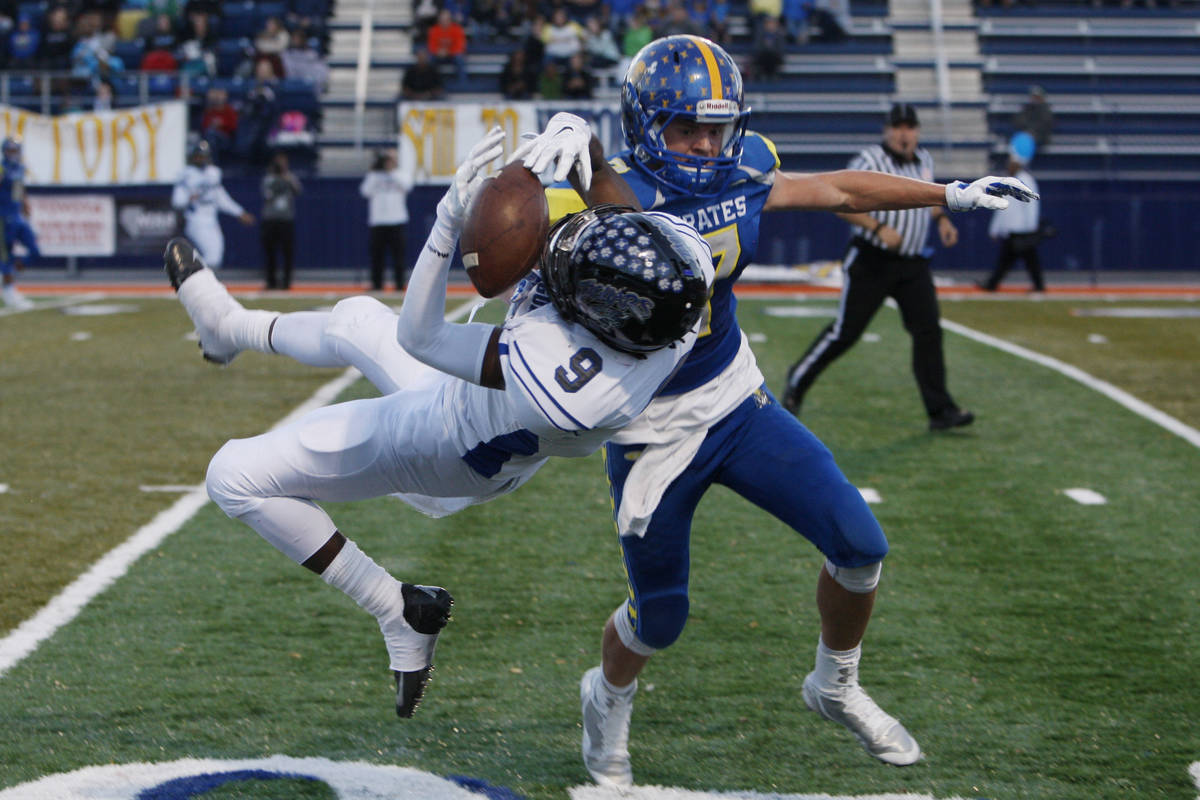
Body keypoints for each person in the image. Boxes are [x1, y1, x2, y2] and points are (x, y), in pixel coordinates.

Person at [543, 36, 1034, 788]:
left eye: (717, 126)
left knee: (860, 545)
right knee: (659, 618)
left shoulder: (746, 169)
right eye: (686, 128)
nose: (707, 144)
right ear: (645, 125)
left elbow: (840, 190)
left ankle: (834, 684)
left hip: (735, 400)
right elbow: (513, 274)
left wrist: (951, 194)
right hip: (650, 429)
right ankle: (605, 698)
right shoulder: (609, 200)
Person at [161, 124, 714, 719]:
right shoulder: (676, 285)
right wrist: (590, 153)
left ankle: (395, 609)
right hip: (474, 416)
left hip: (440, 446)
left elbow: (419, 335)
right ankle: (227, 327)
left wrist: (449, 220)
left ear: (597, 320)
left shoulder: (566, 379)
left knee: (231, 477)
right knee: (353, 319)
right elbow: (627, 230)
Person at [782, 103, 976, 431]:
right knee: (846, 332)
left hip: (912, 264)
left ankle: (940, 410)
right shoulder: (869, 160)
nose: (904, 133)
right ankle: (797, 381)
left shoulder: (924, 160)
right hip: (873, 260)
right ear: (887, 131)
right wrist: (876, 228)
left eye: (910, 127)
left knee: (928, 332)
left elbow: (923, 197)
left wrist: (941, 218)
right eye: (898, 127)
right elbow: (838, 202)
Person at [170, 139, 255, 269]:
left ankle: (194, 278)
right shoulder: (186, 174)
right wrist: (189, 198)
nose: (201, 158)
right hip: (196, 219)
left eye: (204, 155)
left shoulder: (213, 173)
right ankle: (197, 281)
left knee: (216, 256)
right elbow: (177, 201)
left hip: (211, 219)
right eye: (199, 155)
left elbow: (221, 198)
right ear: (193, 156)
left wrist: (239, 212)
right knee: (211, 256)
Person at [981, 131, 1044, 293]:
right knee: (1011, 260)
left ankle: (994, 283)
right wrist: (995, 229)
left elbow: (1031, 206)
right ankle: (993, 283)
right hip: (1012, 232)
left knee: (1025, 260)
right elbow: (1001, 206)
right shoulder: (1008, 181)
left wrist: (1031, 228)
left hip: (1022, 232)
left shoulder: (1026, 180)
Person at [359, 149, 412, 291]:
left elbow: (407, 186)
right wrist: (376, 171)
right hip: (378, 221)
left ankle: (400, 285)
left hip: (397, 220)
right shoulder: (374, 175)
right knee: (377, 256)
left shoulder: (401, 174)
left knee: (398, 256)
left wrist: (391, 172)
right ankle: (377, 284)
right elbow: (365, 191)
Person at [0, 137, 38, 310]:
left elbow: (19, 189)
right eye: (10, 150)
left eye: (15, 150)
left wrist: (25, 203)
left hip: (16, 216)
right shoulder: (2, 168)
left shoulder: (21, 168)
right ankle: (8, 288)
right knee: (5, 254)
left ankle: (9, 275)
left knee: (34, 249)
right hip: (2, 216)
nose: (13, 154)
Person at [260, 151, 301, 290]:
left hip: (286, 219)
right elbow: (267, 195)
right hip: (271, 219)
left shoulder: (290, 177)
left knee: (287, 252)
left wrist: (286, 177)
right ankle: (271, 281)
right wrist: (277, 179)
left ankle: (286, 281)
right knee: (270, 251)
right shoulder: (269, 178)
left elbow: (298, 190)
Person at [1012, 84, 1053, 150]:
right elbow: (1018, 121)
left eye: (1037, 97)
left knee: (1026, 139)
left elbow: (1046, 125)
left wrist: (1032, 130)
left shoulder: (1046, 110)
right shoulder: (1026, 108)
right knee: (1020, 139)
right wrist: (1028, 130)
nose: (1035, 99)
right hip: (1026, 135)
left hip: (1040, 138)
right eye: (1034, 97)